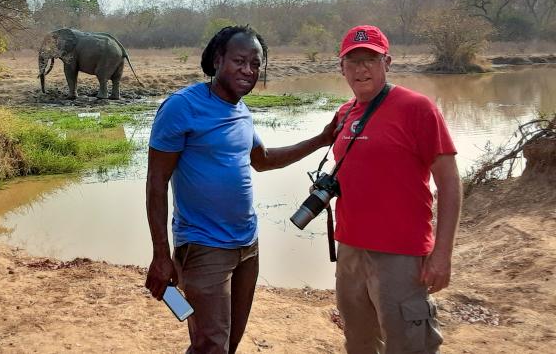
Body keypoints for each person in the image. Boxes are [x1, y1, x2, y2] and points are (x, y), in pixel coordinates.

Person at [145, 25, 337, 354]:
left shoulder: (241, 110)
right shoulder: (182, 107)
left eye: (256, 63)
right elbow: (156, 182)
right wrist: (161, 254)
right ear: (218, 60)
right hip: (204, 248)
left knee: (229, 342)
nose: (248, 70)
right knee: (211, 345)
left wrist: (321, 139)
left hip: (248, 246)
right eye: (240, 61)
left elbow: (263, 160)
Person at [330, 25, 462, 353]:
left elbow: (449, 182)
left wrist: (442, 255)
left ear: (387, 62)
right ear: (341, 67)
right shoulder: (343, 114)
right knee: (359, 342)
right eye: (353, 60)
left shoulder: (417, 108)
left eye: (371, 60)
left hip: (401, 256)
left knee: (409, 345)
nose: (361, 69)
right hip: (350, 252)